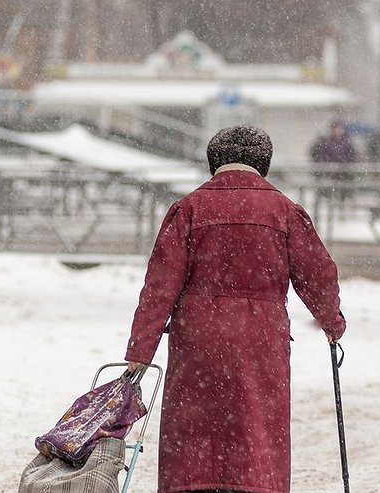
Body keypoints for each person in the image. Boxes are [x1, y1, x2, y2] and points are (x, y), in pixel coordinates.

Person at [125, 125, 347, 493]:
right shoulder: (285, 211)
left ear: (214, 162)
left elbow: (159, 286)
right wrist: (332, 321)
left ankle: (193, 484)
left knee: (194, 433)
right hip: (260, 340)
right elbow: (318, 274)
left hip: (198, 339)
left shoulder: (188, 209)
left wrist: (139, 350)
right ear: (265, 164)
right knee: (256, 426)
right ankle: (255, 485)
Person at [310, 120, 357, 202]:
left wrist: (346, 165)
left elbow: (352, 155)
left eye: (339, 128)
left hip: (343, 173)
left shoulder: (346, 142)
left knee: (343, 191)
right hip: (330, 172)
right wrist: (326, 166)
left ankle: (341, 201)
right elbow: (322, 156)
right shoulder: (327, 142)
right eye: (335, 128)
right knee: (330, 192)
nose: (337, 131)